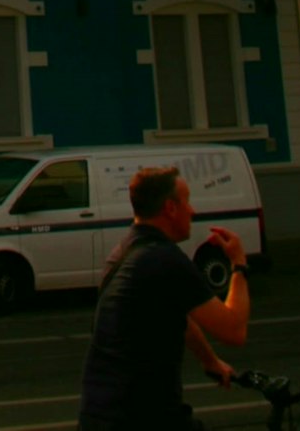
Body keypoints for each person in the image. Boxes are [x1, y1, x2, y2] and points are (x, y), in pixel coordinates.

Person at [78, 164, 250, 431]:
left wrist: (210, 361)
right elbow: (234, 330)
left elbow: (179, 319)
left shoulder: (121, 255)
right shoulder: (165, 259)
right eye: (187, 202)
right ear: (170, 208)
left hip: (99, 415)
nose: (192, 211)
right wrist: (238, 265)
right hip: (144, 417)